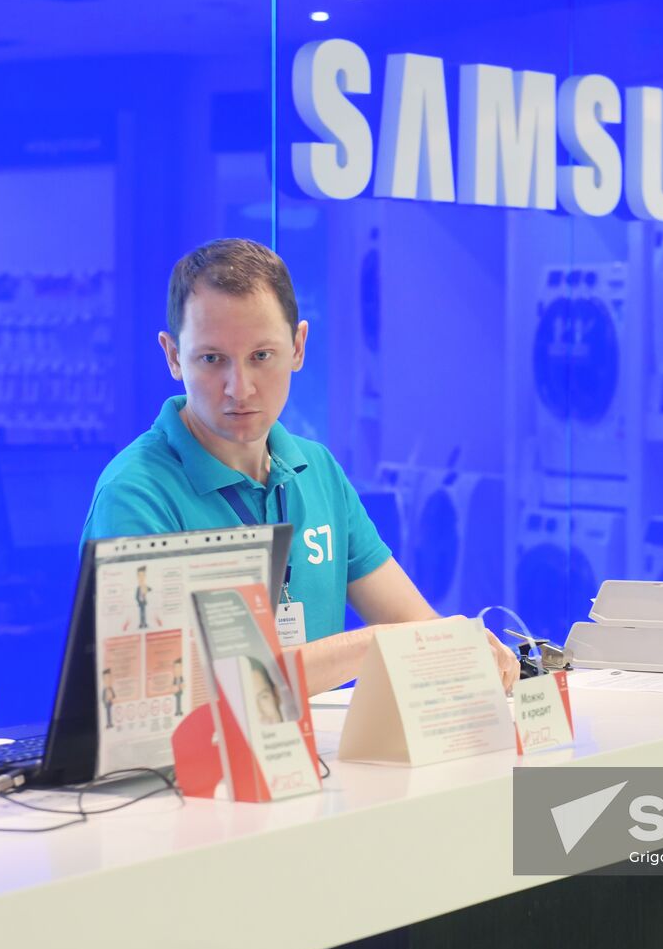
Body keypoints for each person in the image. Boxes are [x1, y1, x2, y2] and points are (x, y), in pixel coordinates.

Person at [82, 239, 519, 695]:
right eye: (213, 359)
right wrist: (374, 645)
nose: (240, 388)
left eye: (261, 356)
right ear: (173, 356)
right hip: (187, 768)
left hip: (321, 764)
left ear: (298, 346)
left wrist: (464, 650)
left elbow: (413, 625)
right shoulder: (134, 492)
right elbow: (159, 693)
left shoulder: (318, 470)